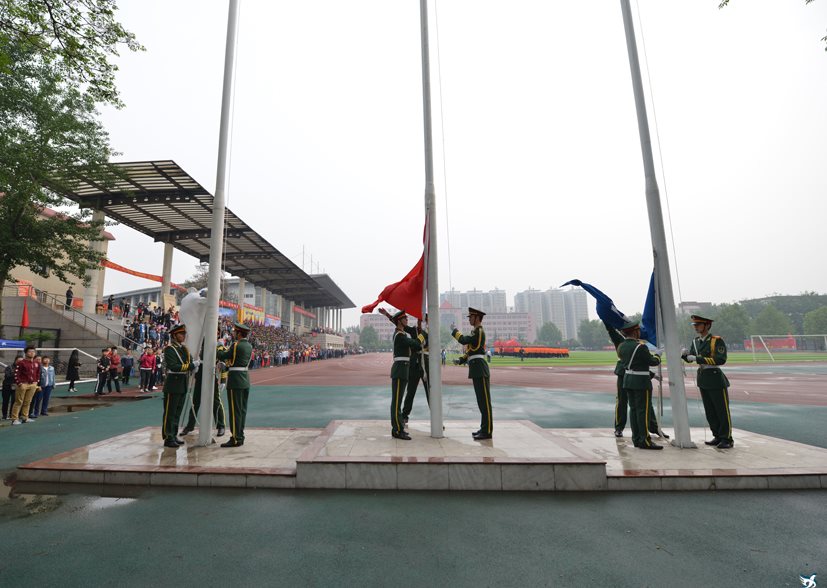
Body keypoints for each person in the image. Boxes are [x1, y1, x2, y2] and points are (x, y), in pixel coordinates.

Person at [602, 320, 668, 440]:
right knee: (622, 401)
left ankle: (653, 427)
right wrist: (606, 319)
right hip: (623, 374)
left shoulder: (637, 344)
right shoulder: (621, 341)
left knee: (646, 404)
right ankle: (619, 427)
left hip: (634, 375)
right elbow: (611, 331)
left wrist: (652, 374)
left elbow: (639, 364)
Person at [682, 314, 734, 449]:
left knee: (722, 410)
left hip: (715, 378)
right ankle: (717, 435)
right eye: (695, 325)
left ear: (707, 326)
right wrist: (685, 355)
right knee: (710, 411)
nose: (696, 327)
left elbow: (720, 359)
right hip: (703, 378)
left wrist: (697, 358)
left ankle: (727, 438)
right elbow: (691, 358)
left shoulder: (716, 340)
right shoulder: (695, 341)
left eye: (698, 325)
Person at [616, 320, 663, 450]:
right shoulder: (640, 347)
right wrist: (658, 355)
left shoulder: (621, 346)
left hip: (628, 380)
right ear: (635, 332)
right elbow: (653, 362)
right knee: (643, 411)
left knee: (634, 410)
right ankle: (645, 440)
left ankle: (636, 439)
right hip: (641, 382)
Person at [379, 309, 430, 424]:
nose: (420, 322)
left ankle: (436, 418)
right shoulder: (413, 330)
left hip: (425, 365)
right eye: (419, 320)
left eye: (423, 320)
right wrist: (387, 315)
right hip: (413, 364)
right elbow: (398, 323)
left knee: (430, 392)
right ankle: (405, 415)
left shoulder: (431, 331)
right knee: (410, 392)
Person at [452, 307, 493, 440]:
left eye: (471, 317)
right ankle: (484, 428)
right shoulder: (475, 332)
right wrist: (461, 360)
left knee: (485, 402)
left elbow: (464, 340)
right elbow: (471, 351)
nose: (469, 319)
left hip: (480, 368)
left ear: (477, 318)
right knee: (481, 401)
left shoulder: (479, 331)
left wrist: (455, 331)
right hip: (476, 368)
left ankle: (487, 431)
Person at [387, 310, 425, 440]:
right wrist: (423, 335)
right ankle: (397, 429)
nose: (407, 320)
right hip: (400, 370)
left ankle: (398, 428)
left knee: (398, 401)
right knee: (397, 402)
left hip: (403, 369)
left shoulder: (402, 334)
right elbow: (415, 344)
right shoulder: (400, 335)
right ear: (399, 321)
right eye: (405, 319)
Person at [216, 321, 253, 447]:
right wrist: (227, 366)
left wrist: (220, 346)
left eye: (235, 332)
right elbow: (236, 361)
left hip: (235, 381)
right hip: (245, 379)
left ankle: (235, 438)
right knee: (242, 411)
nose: (234, 334)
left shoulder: (236, 345)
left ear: (239, 333)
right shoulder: (249, 346)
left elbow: (223, 355)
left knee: (234, 411)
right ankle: (240, 436)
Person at [180, 340, 227, 438]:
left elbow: (223, 362)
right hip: (200, 374)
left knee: (216, 402)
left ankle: (220, 425)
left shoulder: (217, 345)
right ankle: (190, 426)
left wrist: (223, 379)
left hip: (211, 374)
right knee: (195, 402)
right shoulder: (200, 341)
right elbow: (193, 355)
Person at [161, 324, 195, 448]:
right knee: (170, 412)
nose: (184, 336)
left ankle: (173, 435)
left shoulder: (184, 348)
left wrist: (193, 365)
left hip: (182, 383)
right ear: (174, 336)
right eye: (181, 334)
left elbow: (190, 361)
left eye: (184, 334)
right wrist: (191, 366)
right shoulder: (170, 349)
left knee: (177, 412)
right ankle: (168, 437)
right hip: (173, 383)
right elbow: (174, 366)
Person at [10, 345, 41, 425]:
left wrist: (36, 381)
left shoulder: (36, 363)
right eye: (30, 352)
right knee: (18, 402)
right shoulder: (21, 363)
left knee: (28, 402)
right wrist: (19, 383)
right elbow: (16, 374)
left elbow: (38, 373)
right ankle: (14, 419)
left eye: (33, 351)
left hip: (33, 384)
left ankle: (25, 417)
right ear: (26, 353)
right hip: (23, 384)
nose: (32, 353)